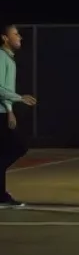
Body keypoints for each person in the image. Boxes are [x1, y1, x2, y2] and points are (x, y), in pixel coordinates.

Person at [0, 24, 38, 208]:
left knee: (8, 151)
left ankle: (1, 196)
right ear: (4, 38)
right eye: (15, 34)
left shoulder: (8, 58)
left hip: (3, 111)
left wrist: (10, 111)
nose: (19, 37)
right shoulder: (1, 57)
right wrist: (19, 98)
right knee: (18, 147)